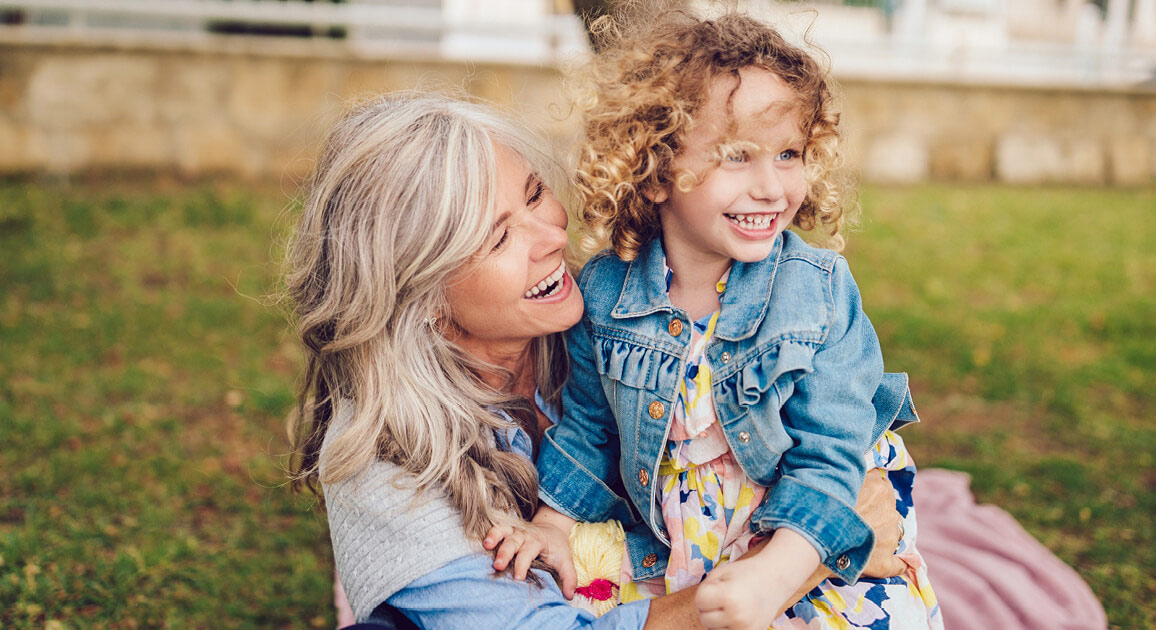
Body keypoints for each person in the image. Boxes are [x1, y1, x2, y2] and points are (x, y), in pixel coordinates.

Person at [285, 91, 911, 629]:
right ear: (415, 293)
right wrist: (809, 555)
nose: (553, 236)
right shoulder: (383, 461)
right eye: (499, 236)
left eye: (535, 195)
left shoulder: (614, 316)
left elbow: (820, 425)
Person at [490, 12, 942, 630]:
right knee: (563, 600)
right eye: (737, 157)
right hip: (678, 536)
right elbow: (591, 429)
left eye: (789, 153)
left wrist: (777, 572)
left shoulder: (817, 292)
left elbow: (832, 453)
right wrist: (553, 523)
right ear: (655, 170)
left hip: (804, 528)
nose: (771, 186)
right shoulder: (605, 292)